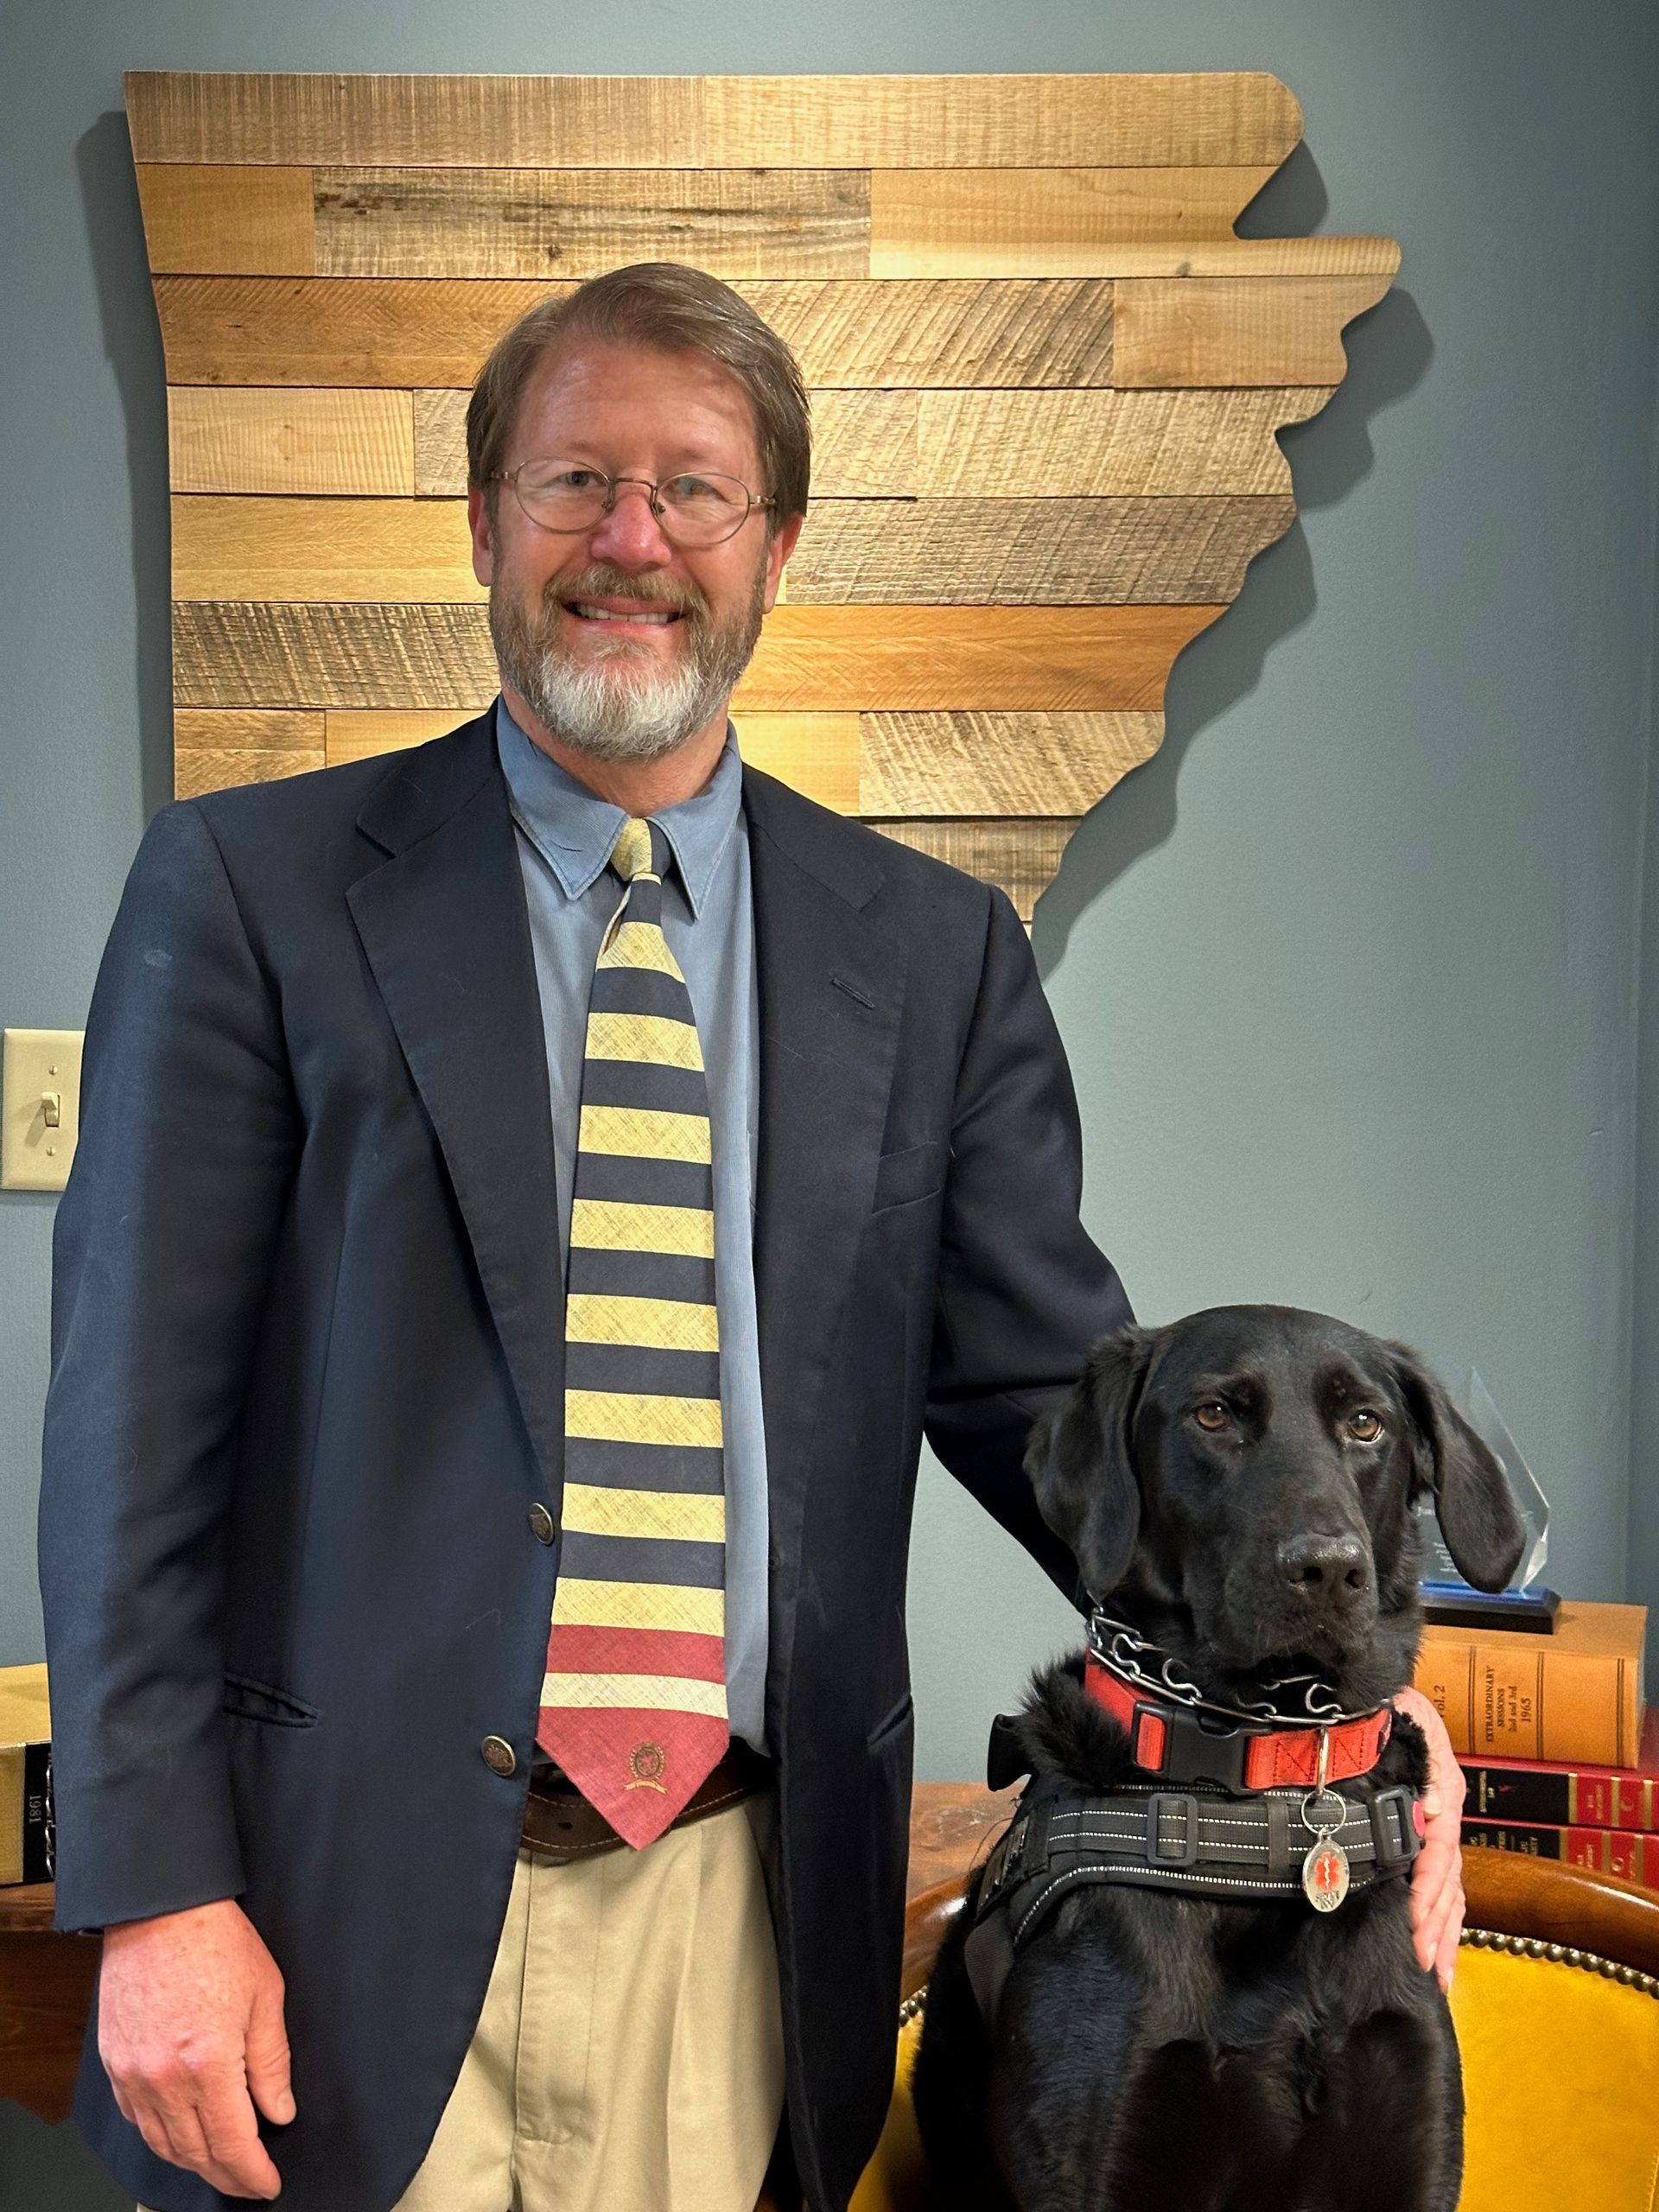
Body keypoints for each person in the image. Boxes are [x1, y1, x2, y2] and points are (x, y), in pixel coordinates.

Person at [38, 262, 1467, 2212]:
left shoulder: (933, 954)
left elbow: (1078, 1423)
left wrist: (1363, 1715)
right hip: (323, 1916)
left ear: (774, 541)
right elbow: (135, 1447)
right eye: (574, 482)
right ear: (483, 519)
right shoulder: (252, 893)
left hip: (739, 1918)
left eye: (694, 489)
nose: (632, 541)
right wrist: (158, 1889)